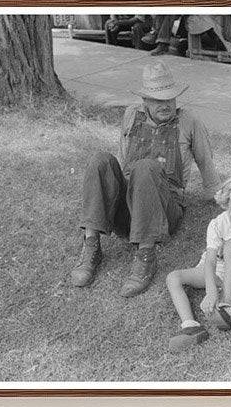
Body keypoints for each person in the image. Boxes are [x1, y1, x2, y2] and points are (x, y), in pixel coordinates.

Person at [70, 60, 220, 297]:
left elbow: (207, 166)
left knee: (145, 167)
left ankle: (146, 255)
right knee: (100, 159)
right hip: (130, 206)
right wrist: (112, 189)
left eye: (170, 99)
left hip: (165, 207)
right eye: (158, 100)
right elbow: (121, 159)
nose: (166, 104)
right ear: (145, 101)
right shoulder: (131, 115)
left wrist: (223, 203)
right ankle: (91, 246)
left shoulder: (190, 121)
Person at [164, 175, 231, 353]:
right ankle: (191, 326)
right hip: (220, 270)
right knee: (173, 277)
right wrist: (211, 291)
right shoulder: (217, 224)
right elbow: (210, 260)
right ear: (226, 203)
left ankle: (226, 307)